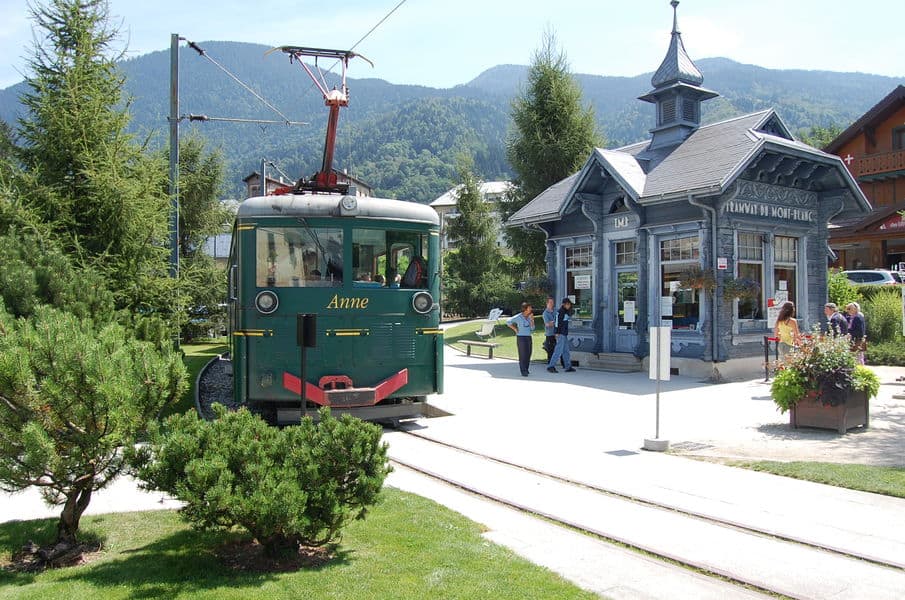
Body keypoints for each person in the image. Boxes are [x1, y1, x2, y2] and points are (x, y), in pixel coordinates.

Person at [547, 298, 576, 373]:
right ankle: (551, 366)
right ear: (563, 304)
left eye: (569, 304)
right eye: (567, 304)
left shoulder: (565, 311)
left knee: (566, 350)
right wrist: (556, 332)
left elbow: (571, 313)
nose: (568, 306)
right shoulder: (560, 312)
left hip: (564, 333)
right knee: (558, 350)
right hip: (560, 334)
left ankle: (568, 366)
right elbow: (557, 322)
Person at [507, 302, 535, 377]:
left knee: (529, 354)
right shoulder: (518, 317)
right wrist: (515, 329)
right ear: (525, 309)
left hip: (528, 337)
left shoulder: (529, 317)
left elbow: (532, 328)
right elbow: (508, 322)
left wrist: (532, 320)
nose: (531, 309)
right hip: (521, 338)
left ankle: (526, 369)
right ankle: (523, 371)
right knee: (523, 354)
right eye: (529, 308)